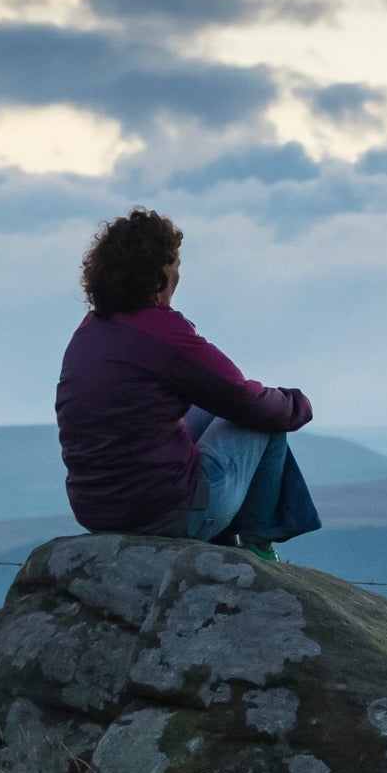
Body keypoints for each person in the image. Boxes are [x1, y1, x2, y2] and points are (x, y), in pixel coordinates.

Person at [55, 207, 320, 558]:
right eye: (175, 263)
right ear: (161, 271)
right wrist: (297, 404)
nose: (179, 273)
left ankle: (240, 537)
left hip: (97, 511)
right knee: (265, 419)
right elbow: (244, 399)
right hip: (168, 515)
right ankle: (258, 548)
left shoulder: (90, 330)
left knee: (213, 407)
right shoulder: (162, 332)